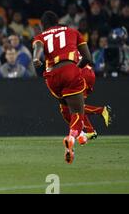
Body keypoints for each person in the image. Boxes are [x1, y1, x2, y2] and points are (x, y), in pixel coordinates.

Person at [32, 11, 93, 164]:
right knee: (78, 111)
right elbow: (87, 58)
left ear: (42, 25)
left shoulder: (41, 36)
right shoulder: (73, 31)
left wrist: (35, 57)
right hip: (69, 70)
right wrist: (76, 70)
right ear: (58, 21)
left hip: (51, 77)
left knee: (65, 107)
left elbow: (38, 46)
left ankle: (81, 135)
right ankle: (72, 138)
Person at [59, 64, 113, 144]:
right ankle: (90, 131)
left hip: (81, 73)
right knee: (73, 106)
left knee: (71, 106)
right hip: (87, 72)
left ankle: (101, 111)